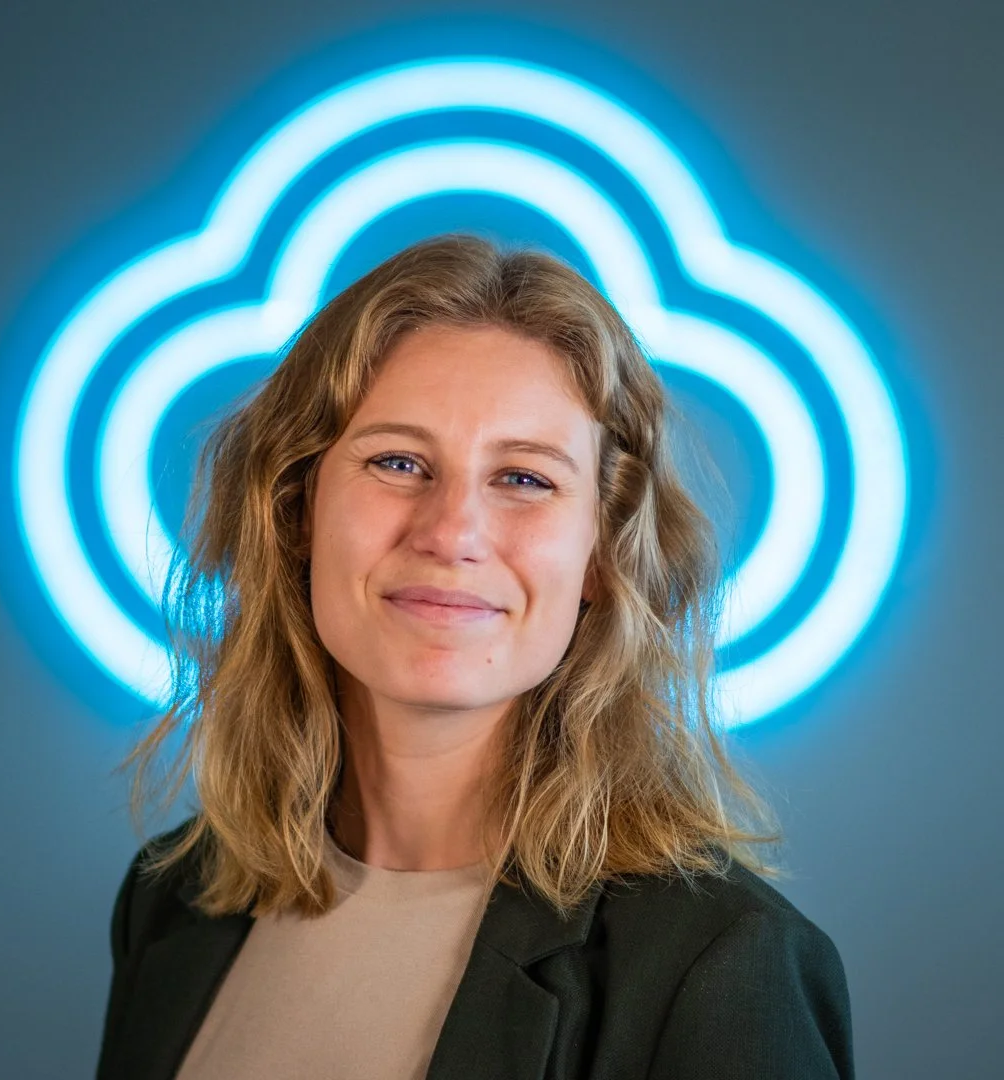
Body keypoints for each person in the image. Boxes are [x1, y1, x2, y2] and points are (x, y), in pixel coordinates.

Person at [95, 233, 854, 1080]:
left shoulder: (721, 966)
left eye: (524, 478)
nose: (452, 531)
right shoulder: (172, 901)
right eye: (397, 462)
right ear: (297, 509)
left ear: (602, 554)